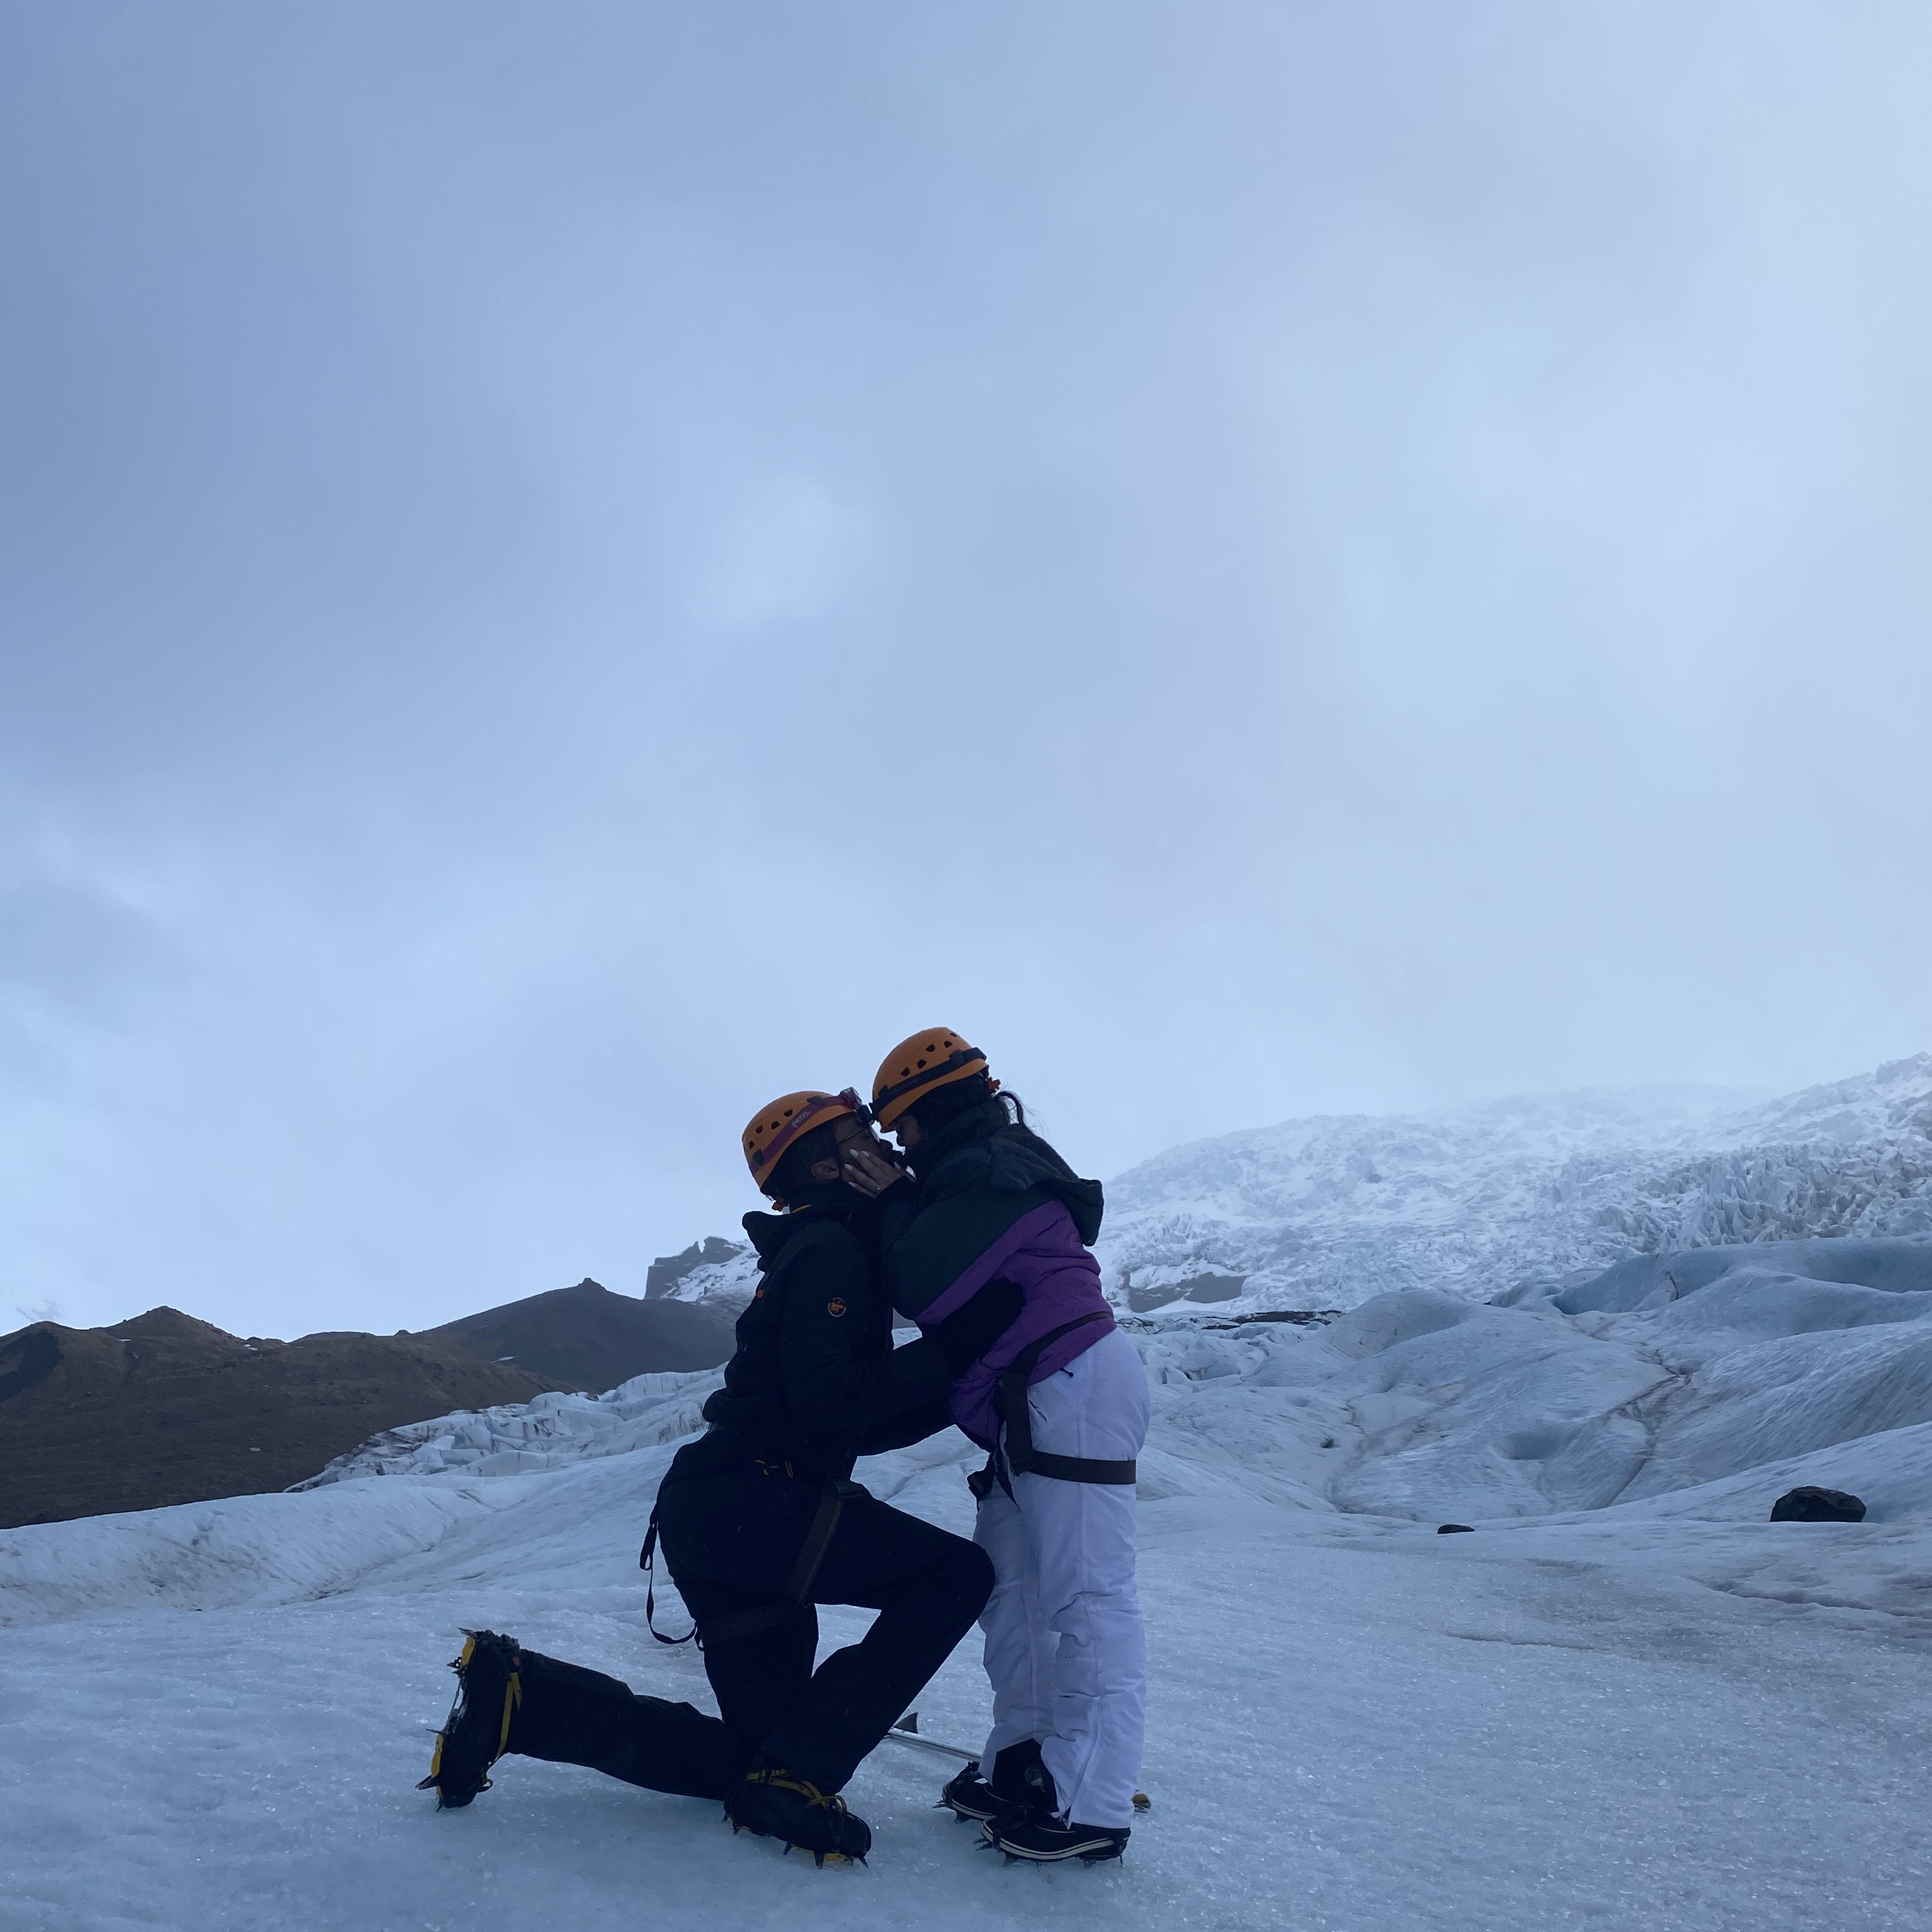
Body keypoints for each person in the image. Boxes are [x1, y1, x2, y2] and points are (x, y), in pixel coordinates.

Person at [419, 1087, 1021, 1867]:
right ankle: (800, 1776)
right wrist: (961, 1345)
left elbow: (850, 1418)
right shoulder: (831, 1249)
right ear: (821, 1161)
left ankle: (522, 1699)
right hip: (754, 1500)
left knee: (753, 1752)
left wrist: (961, 1380)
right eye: (858, 1135)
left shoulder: (821, 1246)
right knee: (953, 1575)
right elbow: (830, 1396)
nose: (886, 1146)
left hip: (722, 1512)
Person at [849, 1030, 1151, 1865]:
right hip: (1040, 1397)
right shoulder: (969, 1170)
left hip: (1069, 1387)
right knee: (1010, 1586)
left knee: (1090, 1600)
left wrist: (887, 1205)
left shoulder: (988, 1168)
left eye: (901, 1126)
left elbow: (923, 1283)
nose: (897, 1144)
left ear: (930, 1110)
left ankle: (1089, 1802)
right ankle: (1023, 1761)